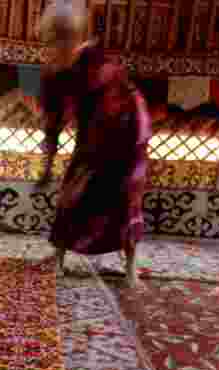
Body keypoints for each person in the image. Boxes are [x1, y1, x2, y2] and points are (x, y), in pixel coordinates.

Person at [33, 0, 151, 288]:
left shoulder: (98, 60)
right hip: (92, 138)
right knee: (73, 193)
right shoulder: (54, 75)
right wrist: (47, 168)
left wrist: (126, 148)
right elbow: (52, 126)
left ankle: (131, 267)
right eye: (56, 40)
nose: (62, 46)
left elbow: (127, 100)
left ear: (77, 36)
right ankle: (58, 258)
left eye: (67, 38)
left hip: (128, 133)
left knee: (126, 198)